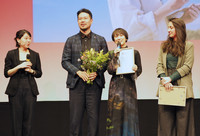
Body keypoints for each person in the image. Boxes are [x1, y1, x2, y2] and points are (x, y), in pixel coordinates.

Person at [61, 8, 108, 136]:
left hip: (95, 84)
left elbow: (105, 61)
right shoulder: (71, 40)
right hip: (76, 84)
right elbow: (65, 61)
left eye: (85, 18)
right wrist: (78, 72)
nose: (82, 21)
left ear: (91, 20)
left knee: (93, 119)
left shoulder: (100, 40)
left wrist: (97, 73)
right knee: (75, 120)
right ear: (77, 22)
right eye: (80, 19)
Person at [156, 18, 195, 136]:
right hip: (166, 86)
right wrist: (164, 79)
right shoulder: (164, 46)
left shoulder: (188, 45)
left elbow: (187, 66)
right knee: (165, 124)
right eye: (168, 27)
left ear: (179, 29)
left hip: (182, 87)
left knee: (183, 125)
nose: (168, 30)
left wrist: (171, 78)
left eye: (171, 27)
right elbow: (159, 65)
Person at [4, 29, 42, 136]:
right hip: (15, 90)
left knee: (28, 121)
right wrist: (19, 66)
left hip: (30, 90)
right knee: (16, 121)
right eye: (25, 38)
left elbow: (39, 73)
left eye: (30, 38)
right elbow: (7, 73)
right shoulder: (11, 54)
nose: (28, 41)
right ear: (18, 40)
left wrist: (32, 71)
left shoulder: (35, 54)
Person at [106, 28, 142, 136]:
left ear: (126, 38)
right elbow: (110, 70)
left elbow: (139, 70)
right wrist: (115, 57)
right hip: (115, 87)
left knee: (129, 114)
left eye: (121, 35)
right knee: (115, 115)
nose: (119, 38)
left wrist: (135, 69)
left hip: (128, 85)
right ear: (114, 40)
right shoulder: (111, 53)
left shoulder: (134, 52)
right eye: (116, 36)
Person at [107, 0, 200, 41]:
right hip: (141, 63)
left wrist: (180, 19)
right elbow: (128, 33)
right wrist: (170, 7)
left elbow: (156, 27)